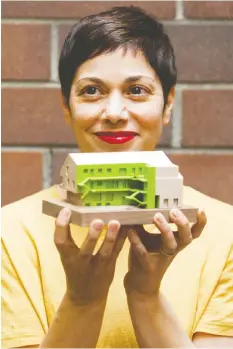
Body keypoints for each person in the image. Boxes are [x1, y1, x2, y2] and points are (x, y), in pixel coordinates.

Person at [2, 5, 233, 348]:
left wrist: (145, 295)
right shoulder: (9, 233)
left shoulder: (224, 231)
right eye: (91, 91)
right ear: (67, 106)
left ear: (168, 104)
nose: (113, 113)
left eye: (136, 90)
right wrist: (82, 300)